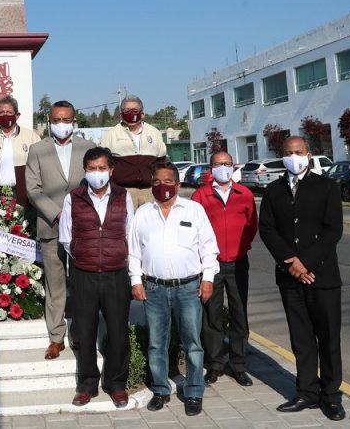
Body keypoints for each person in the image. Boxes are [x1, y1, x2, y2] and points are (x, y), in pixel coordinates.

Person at [259, 136, 345, 421]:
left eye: (298, 152)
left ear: (309, 154)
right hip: (290, 279)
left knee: (328, 338)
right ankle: (307, 391)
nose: (293, 157)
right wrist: (291, 263)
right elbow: (268, 231)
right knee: (301, 339)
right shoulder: (273, 191)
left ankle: (331, 395)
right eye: (288, 153)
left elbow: (333, 230)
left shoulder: (327, 187)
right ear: (281, 156)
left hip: (323, 277)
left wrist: (306, 262)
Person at [129, 161, 219, 415]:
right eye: (156, 182)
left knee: (192, 342)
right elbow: (133, 251)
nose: (162, 186)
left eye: (168, 181)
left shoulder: (194, 210)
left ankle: (193, 391)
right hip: (154, 289)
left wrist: (208, 278)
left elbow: (209, 248)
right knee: (157, 343)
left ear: (178, 184)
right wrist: (136, 281)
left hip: (189, 288)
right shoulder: (143, 214)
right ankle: (160, 389)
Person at [58, 146, 134, 408]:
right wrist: (86, 256)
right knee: (85, 332)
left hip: (116, 273)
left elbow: (130, 235)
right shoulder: (73, 198)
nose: (97, 173)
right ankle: (87, 385)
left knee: (117, 331)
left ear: (111, 170)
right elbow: (67, 239)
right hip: (84, 274)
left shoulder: (124, 197)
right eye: (92, 169)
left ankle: (117, 384)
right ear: (85, 171)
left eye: (102, 168)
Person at [24, 99, 89, 360]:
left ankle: (83, 334)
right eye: (56, 120)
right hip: (51, 226)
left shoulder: (88, 148)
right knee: (55, 284)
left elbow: (95, 184)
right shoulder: (38, 150)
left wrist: (75, 214)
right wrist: (58, 213)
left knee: (83, 284)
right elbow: (33, 189)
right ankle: (56, 337)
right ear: (49, 122)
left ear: (74, 121)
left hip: (83, 228)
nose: (61, 124)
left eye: (66, 119)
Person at [192, 150, 258, 387]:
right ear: (211, 168)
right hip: (211, 266)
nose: (223, 168)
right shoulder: (201, 196)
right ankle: (215, 364)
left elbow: (252, 226)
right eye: (218, 164)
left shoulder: (245, 194)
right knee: (212, 316)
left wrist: (241, 249)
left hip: (238, 262)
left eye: (227, 164)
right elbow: (194, 231)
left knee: (240, 314)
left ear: (233, 166)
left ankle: (239, 365)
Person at [100, 95, 167, 207]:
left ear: (142, 113)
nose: (131, 113)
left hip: (151, 192)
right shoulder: (109, 135)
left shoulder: (155, 133)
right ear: (121, 114)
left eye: (135, 110)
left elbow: (162, 163)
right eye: (127, 111)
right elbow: (102, 166)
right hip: (122, 193)